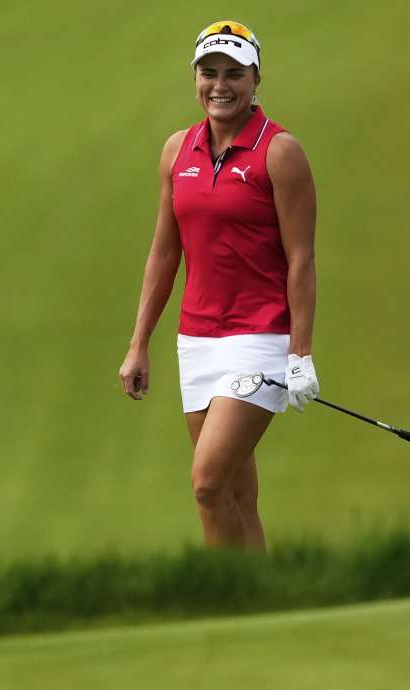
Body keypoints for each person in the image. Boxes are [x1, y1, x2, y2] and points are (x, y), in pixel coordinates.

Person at [118, 20, 320, 551]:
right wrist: (139, 343)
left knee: (206, 484)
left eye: (234, 73)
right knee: (233, 494)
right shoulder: (176, 151)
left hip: (260, 340)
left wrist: (300, 354)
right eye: (209, 73)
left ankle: (224, 598)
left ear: (257, 78)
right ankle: (258, 609)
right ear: (195, 78)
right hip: (198, 341)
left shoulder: (279, 152)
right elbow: (165, 252)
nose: (220, 85)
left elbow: (301, 258)